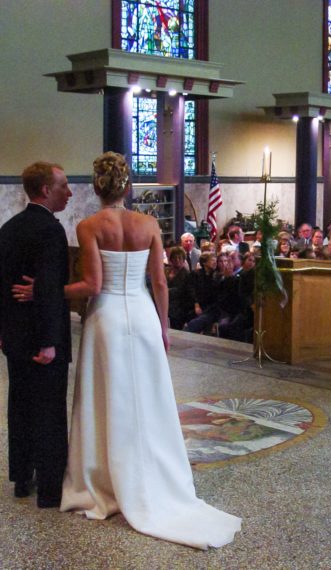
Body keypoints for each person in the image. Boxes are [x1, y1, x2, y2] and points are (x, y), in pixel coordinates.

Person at [15, 153, 241, 547]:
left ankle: (103, 477)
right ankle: (152, 474)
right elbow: (160, 282)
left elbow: (93, 285)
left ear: (97, 189)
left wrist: (45, 292)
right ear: (127, 187)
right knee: (150, 399)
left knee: (106, 399)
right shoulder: (149, 224)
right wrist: (164, 326)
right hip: (142, 315)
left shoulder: (89, 225)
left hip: (106, 322)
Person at [0, 162, 72, 508]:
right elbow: (49, 288)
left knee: (20, 406)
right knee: (49, 412)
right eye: (63, 186)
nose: (69, 193)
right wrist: (49, 341)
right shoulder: (50, 231)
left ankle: (20, 479)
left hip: (14, 337)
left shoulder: (9, 228)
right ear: (45, 189)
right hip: (43, 339)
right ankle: (48, 489)